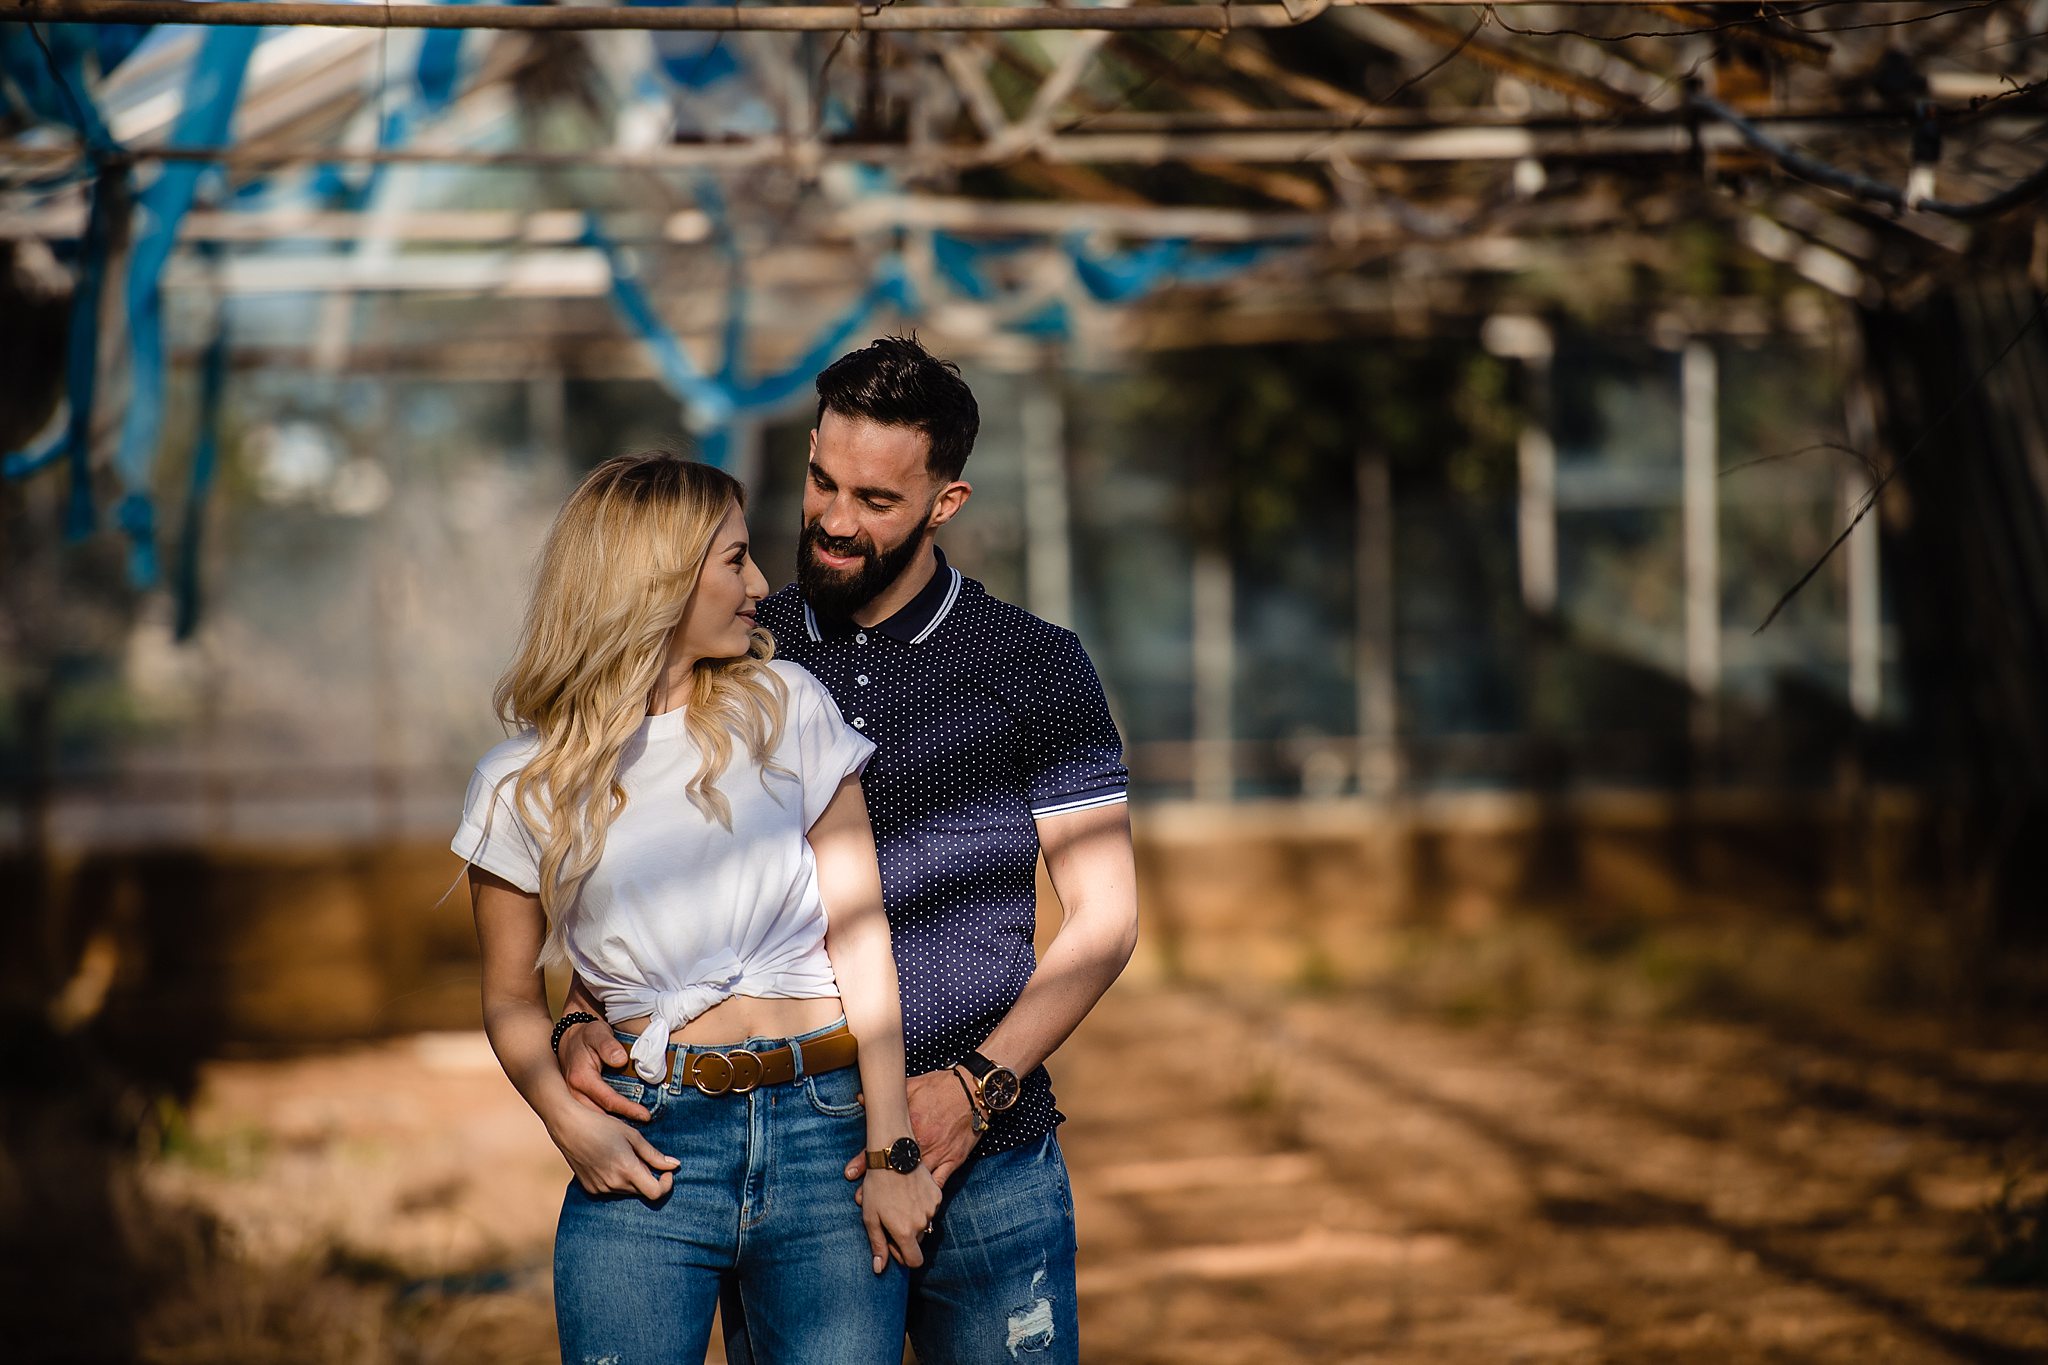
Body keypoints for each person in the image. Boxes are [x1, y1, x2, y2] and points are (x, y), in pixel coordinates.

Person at [558, 337, 1140, 1364]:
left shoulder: (1033, 665)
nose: (831, 518)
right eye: (822, 480)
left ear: (943, 503)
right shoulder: (740, 643)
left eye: (874, 500)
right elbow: (633, 860)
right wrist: (577, 1014)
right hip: (796, 1154)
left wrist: (972, 1091)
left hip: (991, 1158)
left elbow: (1104, 921)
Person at [455, 452, 942, 1363]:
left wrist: (890, 1152)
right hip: (649, 1140)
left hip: (824, 1136)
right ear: (661, 582)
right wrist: (571, 1124)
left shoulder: (790, 705)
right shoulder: (517, 782)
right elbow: (510, 997)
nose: (761, 583)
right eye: (734, 560)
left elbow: (863, 942)